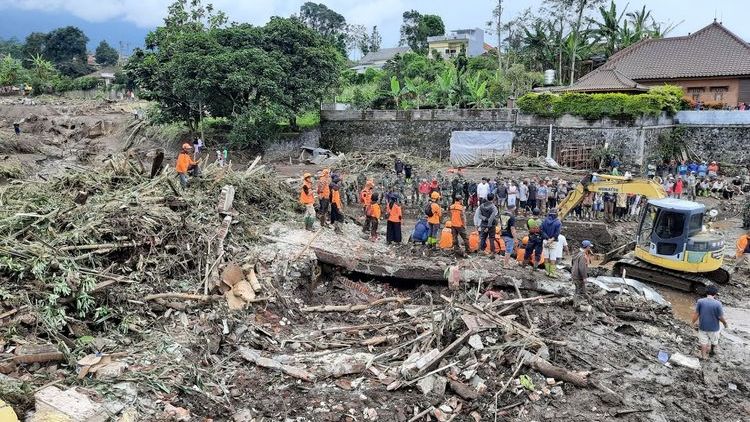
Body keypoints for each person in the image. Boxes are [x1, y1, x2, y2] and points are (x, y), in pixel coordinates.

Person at [691, 285, 728, 359]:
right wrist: (725, 323)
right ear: (715, 294)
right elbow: (720, 317)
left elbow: (697, 314)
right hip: (714, 328)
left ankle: (704, 356)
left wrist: (692, 322)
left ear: (706, 292)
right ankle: (712, 350)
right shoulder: (718, 304)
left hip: (703, 327)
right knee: (714, 341)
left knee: (703, 342)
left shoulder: (700, 301)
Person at [541, 209, 562, 277]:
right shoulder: (558, 222)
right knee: (553, 257)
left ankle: (547, 271)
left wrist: (547, 238)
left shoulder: (544, 221)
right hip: (553, 241)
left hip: (545, 241)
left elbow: (542, 230)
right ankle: (552, 273)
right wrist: (551, 239)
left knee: (546, 256)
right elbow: (557, 233)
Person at [478, 193, 499, 257]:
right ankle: (492, 252)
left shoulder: (482, 206)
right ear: (493, 198)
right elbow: (491, 218)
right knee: (492, 238)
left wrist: (485, 219)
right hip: (491, 225)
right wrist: (488, 226)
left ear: (487, 198)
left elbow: (479, 215)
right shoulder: (493, 207)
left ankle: (481, 250)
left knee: (483, 238)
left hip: (483, 224)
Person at [499, 205, 517, 269]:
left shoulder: (502, 214)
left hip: (503, 233)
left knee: (505, 249)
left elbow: (499, 223)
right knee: (508, 250)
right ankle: (505, 264)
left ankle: (505, 262)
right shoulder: (512, 217)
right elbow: (512, 228)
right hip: (509, 235)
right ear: (512, 209)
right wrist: (515, 239)